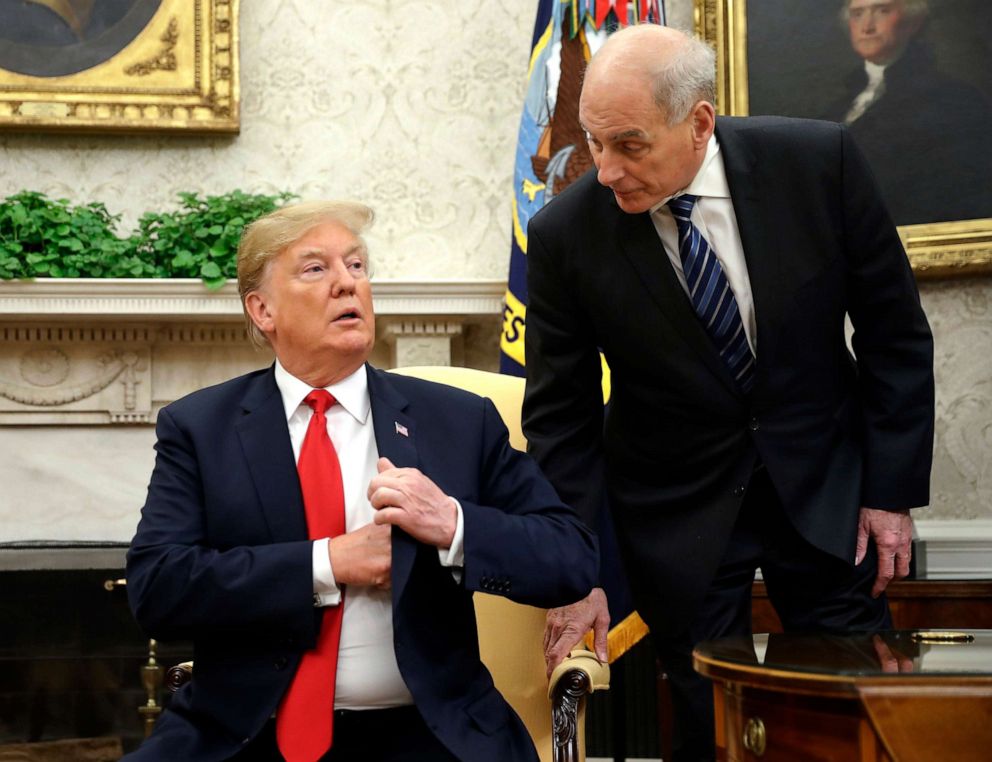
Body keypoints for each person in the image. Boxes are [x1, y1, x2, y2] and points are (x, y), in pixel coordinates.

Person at [523, 24, 934, 761]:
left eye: (629, 144)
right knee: (704, 720)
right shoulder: (565, 234)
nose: (607, 169)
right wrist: (575, 570)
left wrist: (889, 492)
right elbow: (563, 417)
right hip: (677, 509)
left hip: (826, 488)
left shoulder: (817, 163)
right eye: (594, 140)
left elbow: (894, 336)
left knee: (851, 708)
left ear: (699, 122)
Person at [124, 200, 598, 762]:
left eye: (356, 266)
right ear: (262, 309)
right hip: (248, 732)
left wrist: (454, 527)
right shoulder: (202, 428)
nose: (347, 285)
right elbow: (157, 587)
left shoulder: (458, 421)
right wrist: (328, 563)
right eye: (315, 269)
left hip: (428, 733)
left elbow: (571, 559)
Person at [823, 0, 992, 224]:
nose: (867, 26)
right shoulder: (837, 109)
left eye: (882, 11)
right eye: (857, 14)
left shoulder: (953, 100)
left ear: (913, 22)